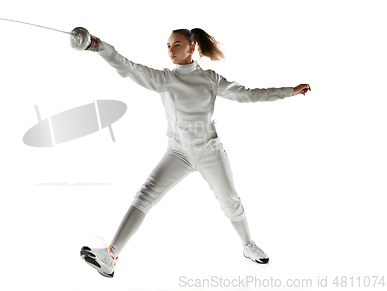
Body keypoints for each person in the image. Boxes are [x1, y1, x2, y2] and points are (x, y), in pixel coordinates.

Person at [79, 28, 311, 278]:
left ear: (191, 48)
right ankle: (110, 256)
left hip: (210, 151)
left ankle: (247, 245)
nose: (171, 50)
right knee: (145, 195)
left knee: (230, 202)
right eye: (168, 46)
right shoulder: (164, 79)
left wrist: (288, 91)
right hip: (177, 153)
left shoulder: (210, 79)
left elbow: (247, 95)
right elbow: (129, 67)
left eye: (176, 45)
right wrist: (99, 46)